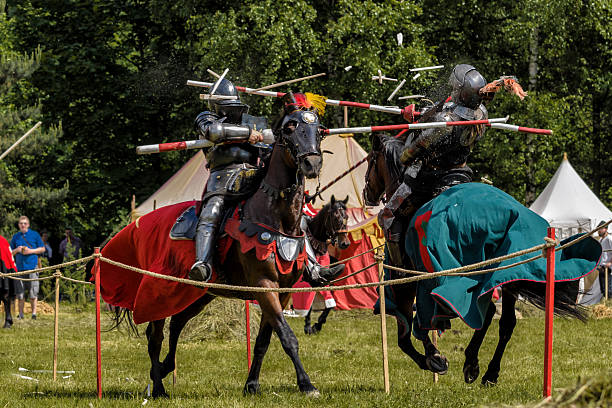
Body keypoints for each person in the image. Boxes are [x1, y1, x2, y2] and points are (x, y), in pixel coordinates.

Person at [381, 64, 526, 265]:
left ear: (462, 93)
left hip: (431, 180)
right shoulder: (481, 113)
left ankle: (399, 269)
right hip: (462, 173)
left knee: (388, 216)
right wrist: (423, 115)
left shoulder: (446, 120)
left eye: (455, 89)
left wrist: (415, 126)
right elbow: (447, 108)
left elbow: (408, 155)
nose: (452, 91)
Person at [10, 216, 45, 320]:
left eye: (25, 223)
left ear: (28, 225)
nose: (23, 225)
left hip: (32, 267)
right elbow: (10, 253)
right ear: (19, 225)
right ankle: (20, 314)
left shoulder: (35, 235)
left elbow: (42, 249)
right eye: (21, 223)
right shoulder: (16, 237)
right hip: (19, 268)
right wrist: (17, 250)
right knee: (20, 293)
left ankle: (34, 314)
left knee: (33, 292)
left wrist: (31, 251)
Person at [596, 221, 612, 297]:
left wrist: (610, 263)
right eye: (598, 229)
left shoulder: (610, 239)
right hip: (602, 268)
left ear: (605, 229)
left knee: (609, 290)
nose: (598, 231)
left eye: (600, 229)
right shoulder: (600, 240)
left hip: (608, 269)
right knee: (603, 290)